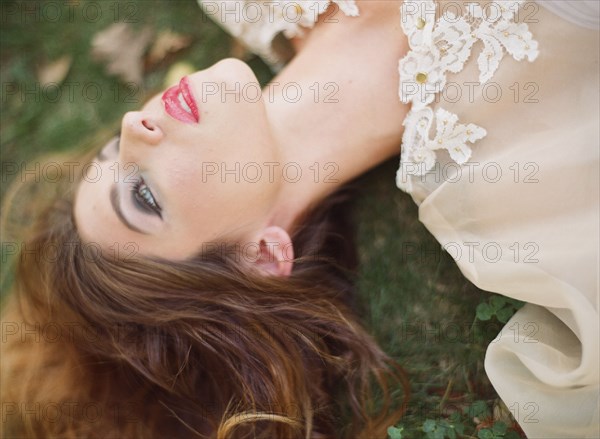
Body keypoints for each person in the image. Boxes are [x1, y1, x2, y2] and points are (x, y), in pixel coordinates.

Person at [1, 0, 597, 438]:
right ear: (262, 258)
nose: (135, 125)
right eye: (144, 199)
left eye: (113, 151)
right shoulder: (525, 179)